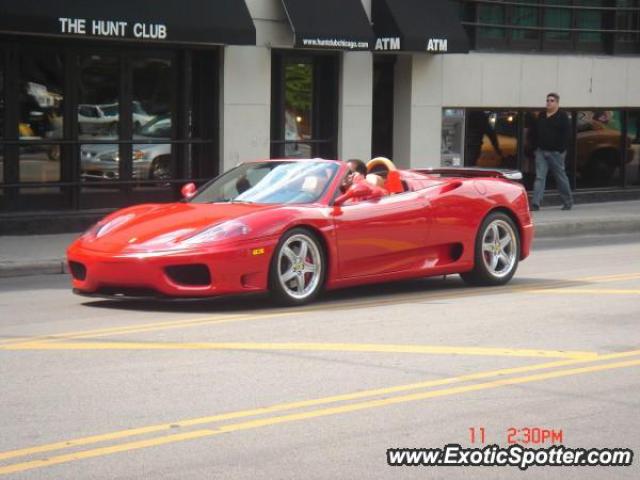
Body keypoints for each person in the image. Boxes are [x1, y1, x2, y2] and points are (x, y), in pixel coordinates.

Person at [531, 93, 573, 211]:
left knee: (560, 177)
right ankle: (536, 203)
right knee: (540, 177)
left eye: (552, 100)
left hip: (556, 153)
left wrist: (560, 150)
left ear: (557, 103)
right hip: (541, 152)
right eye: (547, 100)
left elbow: (566, 135)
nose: (549, 102)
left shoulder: (563, 116)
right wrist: (535, 148)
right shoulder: (542, 115)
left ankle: (567, 201)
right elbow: (534, 132)